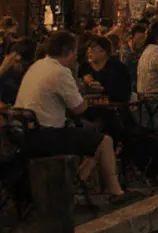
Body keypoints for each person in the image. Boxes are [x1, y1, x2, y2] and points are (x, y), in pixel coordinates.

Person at [13, 31, 128, 198]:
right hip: (47, 135)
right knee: (105, 141)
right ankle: (116, 192)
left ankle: (75, 184)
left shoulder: (37, 66)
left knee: (91, 137)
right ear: (71, 52)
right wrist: (88, 98)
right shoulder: (60, 72)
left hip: (25, 133)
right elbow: (79, 108)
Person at [80, 35, 132, 103]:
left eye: (92, 51)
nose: (89, 54)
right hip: (88, 109)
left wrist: (103, 89)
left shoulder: (118, 68)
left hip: (112, 109)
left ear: (103, 51)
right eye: (88, 51)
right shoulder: (85, 68)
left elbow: (124, 94)